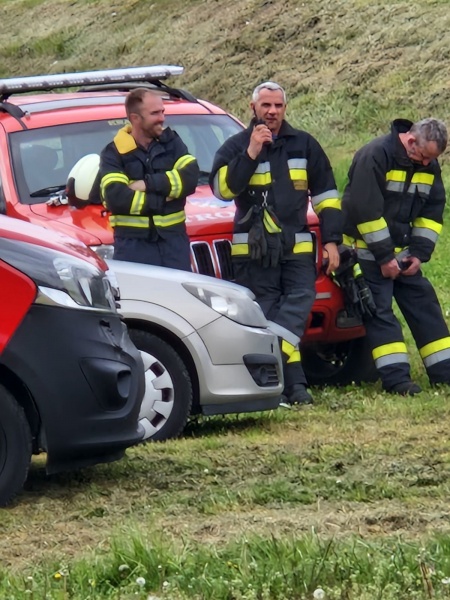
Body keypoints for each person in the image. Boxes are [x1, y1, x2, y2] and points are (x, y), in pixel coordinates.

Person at [210, 82, 342, 406]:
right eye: (266, 105)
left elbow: (327, 197)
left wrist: (332, 241)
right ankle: (294, 388)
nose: (272, 112)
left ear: (285, 108)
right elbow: (223, 191)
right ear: (253, 108)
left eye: (278, 106)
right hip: (254, 252)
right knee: (267, 313)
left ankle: (271, 361)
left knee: (299, 300)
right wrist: (251, 152)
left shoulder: (304, 145)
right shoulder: (235, 146)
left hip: (297, 247)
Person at [342, 117, 450, 395]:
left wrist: (419, 254)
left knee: (425, 306)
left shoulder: (427, 163)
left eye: (432, 159)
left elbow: (432, 212)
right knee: (381, 314)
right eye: (424, 157)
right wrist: (385, 258)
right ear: (411, 141)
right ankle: (397, 380)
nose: (427, 164)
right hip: (367, 253)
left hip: (403, 254)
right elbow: (365, 211)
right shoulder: (375, 155)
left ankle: (445, 373)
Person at [99, 88, 199, 270]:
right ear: (135, 118)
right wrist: (164, 199)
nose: (162, 118)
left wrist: (147, 184)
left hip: (174, 245)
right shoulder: (113, 153)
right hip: (133, 249)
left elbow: (191, 177)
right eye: (155, 113)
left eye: (162, 112)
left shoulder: (172, 142)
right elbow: (116, 198)